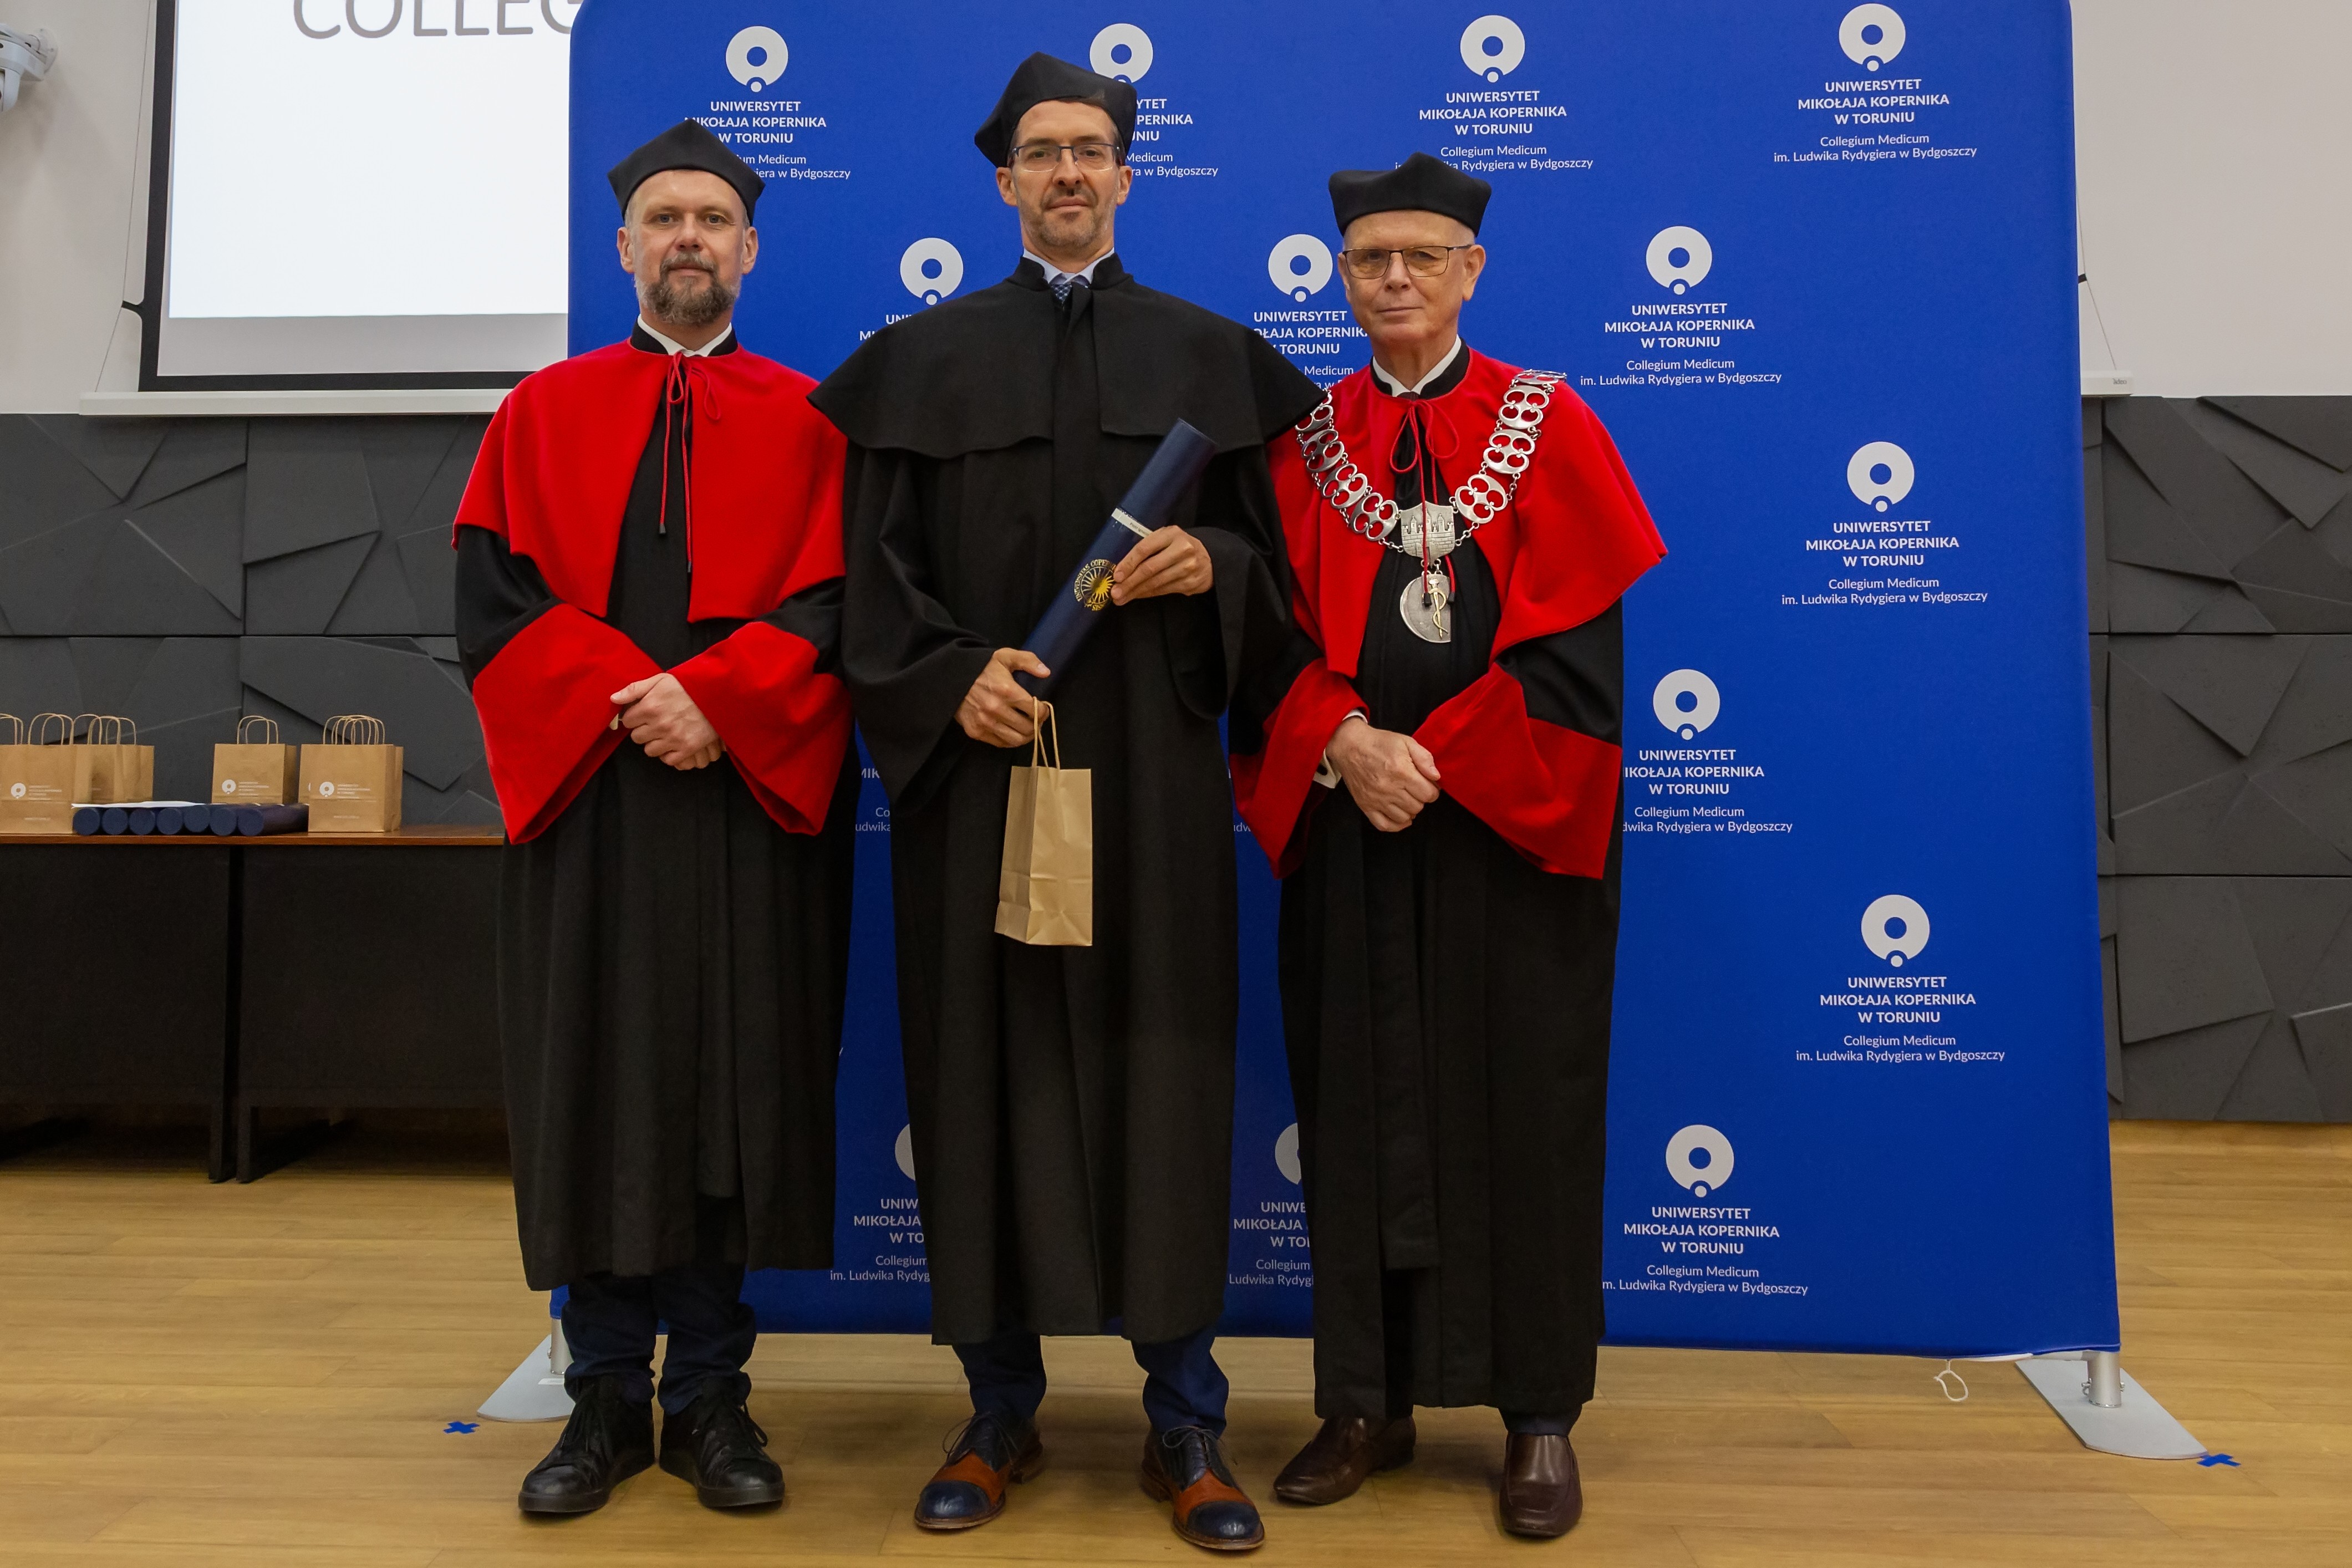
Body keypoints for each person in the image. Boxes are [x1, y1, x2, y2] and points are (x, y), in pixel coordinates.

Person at [810, 52, 1319, 1555]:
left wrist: (1211, 567)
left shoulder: (1209, 355)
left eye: (1091, 149)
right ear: (1003, 182)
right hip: (982, 776)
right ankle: (996, 1407)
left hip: (1154, 781)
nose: (1068, 173)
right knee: (981, 1074)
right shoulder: (920, 359)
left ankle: (1186, 1418)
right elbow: (870, 591)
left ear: (1128, 173)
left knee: (1167, 1073)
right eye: (1042, 152)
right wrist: (944, 681)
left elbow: (1282, 593)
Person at [1229, 151, 1666, 1539]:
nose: (1397, 278)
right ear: (1340, 276)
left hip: (1511, 839)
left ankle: (1538, 1413)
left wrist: (1445, 758)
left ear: (1472, 270)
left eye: (1423, 256)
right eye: (1371, 259)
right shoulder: (1303, 442)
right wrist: (1346, 745)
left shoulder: (1551, 421)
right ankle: (1364, 1400)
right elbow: (1263, 649)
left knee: (1529, 1108)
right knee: (1355, 1106)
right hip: (1353, 827)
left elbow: (1581, 665)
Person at [452, 119, 859, 1518]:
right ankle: (605, 1398)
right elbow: (493, 605)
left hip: (743, 805)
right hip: (592, 806)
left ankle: (711, 1401)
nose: (690, 238)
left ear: (750, 249)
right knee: (593, 1080)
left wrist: (720, 702)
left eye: (714, 220)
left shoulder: (814, 422)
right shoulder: (538, 414)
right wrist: (638, 701)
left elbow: (839, 607)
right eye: (666, 219)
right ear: (624, 245)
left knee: (729, 1090)